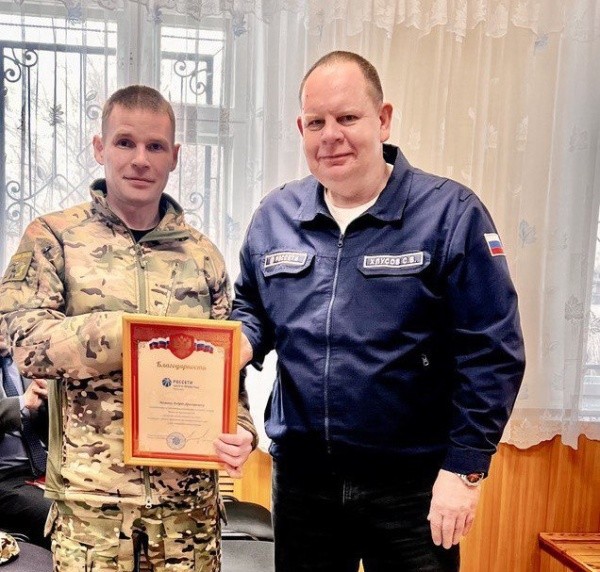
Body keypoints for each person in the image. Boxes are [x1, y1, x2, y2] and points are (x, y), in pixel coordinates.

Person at [231, 51, 526, 572]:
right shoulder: (275, 215)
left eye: (347, 117)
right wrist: (237, 345)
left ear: (383, 120)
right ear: (301, 129)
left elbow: (493, 350)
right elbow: (252, 308)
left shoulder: (450, 214)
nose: (331, 136)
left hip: (412, 488)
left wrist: (465, 470)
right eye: (316, 122)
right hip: (303, 484)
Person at [0, 85, 258, 571]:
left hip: (188, 515)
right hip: (93, 513)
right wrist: (131, 334)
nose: (140, 159)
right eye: (125, 142)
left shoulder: (202, 255)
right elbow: (26, 343)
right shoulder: (53, 237)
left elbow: (228, 371)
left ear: (174, 157)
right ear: (100, 148)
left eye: (155, 146)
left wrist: (242, 430)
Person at [0, 334, 52, 549]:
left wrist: (50, 402)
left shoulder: (29, 360)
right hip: (5, 477)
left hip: (48, 468)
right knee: (58, 515)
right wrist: (22, 403)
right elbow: (24, 403)